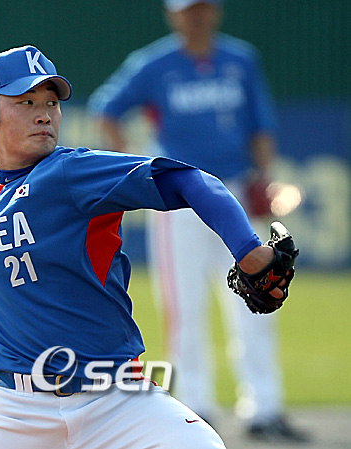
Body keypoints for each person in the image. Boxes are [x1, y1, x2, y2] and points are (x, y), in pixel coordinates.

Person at [0, 44, 293, 449]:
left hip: (116, 399)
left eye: (51, 102)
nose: (43, 113)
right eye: (25, 101)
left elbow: (192, 181)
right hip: (15, 411)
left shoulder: (72, 173)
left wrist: (248, 250)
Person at [88, 0, 309, 442]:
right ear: (174, 15)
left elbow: (259, 126)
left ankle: (264, 408)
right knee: (184, 308)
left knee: (259, 296)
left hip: (236, 193)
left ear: (216, 11)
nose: (197, 15)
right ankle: (195, 408)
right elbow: (104, 108)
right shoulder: (154, 64)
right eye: (189, 9)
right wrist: (134, 164)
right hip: (179, 201)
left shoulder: (240, 60)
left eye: (203, 7)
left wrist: (264, 176)